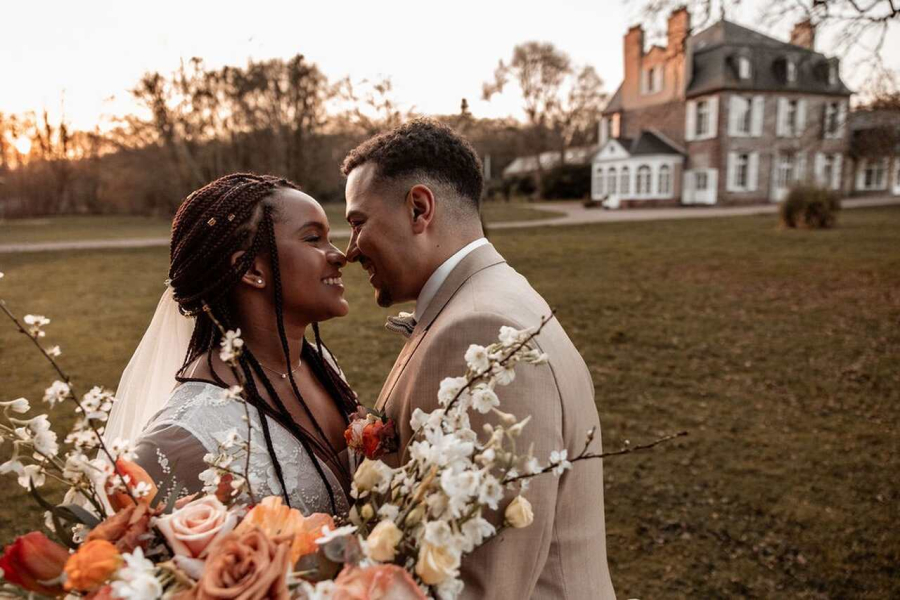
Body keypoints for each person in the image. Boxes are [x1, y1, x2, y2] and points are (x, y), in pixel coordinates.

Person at [342, 119, 616, 599]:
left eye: (358, 223)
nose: (349, 251)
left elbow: (478, 581)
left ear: (419, 209)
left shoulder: (481, 327)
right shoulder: (489, 297)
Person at [106, 173, 358, 516]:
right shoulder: (185, 437)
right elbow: (132, 553)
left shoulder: (317, 364)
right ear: (250, 268)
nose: (339, 255)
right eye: (314, 238)